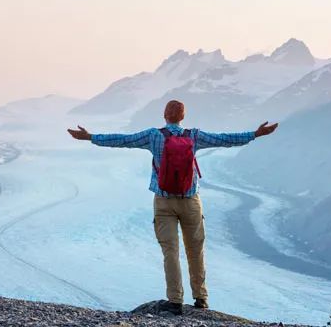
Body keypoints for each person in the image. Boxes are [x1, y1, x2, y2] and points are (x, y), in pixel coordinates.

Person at [67, 100, 278, 315]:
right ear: (183, 117)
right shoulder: (194, 136)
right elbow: (225, 139)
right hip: (191, 201)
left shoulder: (153, 135)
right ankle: (201, 298)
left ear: (164, 115)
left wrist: (91, 137)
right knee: (195, 250)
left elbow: (122, 140)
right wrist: (255, 134)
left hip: (164, 201)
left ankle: (175, 300)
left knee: (170, 252)